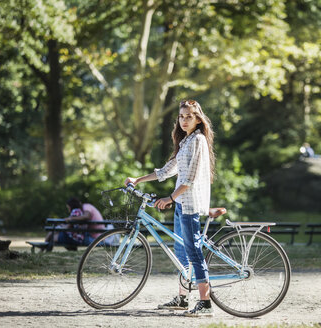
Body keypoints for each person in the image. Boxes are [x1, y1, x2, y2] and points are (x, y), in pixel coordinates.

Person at [125, 99, 215, 317]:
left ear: (198, 119)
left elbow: (190, 178)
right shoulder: (186, 141)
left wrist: (170, 198)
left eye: (189, 116)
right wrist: (138, 179)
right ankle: (183, 299)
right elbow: (167, 170)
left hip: (189, 203)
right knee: (181, 252)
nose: (184, 120)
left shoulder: (198, 140)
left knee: (193, 252)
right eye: (181, 116)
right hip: (181, 204)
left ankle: (205, 303)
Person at [45, 197, 113, 249]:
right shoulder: (80, 212)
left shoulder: (84, 207)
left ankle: (43, 249)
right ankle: (44, 248)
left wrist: (70, 218)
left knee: (53, 234)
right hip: (89, 234)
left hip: (93, 236)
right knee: (54, 234)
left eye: (68, 208)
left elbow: (86, 216)